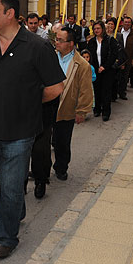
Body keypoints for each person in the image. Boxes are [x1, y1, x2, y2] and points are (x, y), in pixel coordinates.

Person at [0, 0, 65, 260]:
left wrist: (30, 103)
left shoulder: (37, 46)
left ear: (9, 13)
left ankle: (7, 237)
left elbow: (56, 87)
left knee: (10, 186)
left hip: (21, 133)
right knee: (7, 180)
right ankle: (15, 211)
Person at [50, 27, 94, 181]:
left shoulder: (81, 65)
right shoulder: (51, 57)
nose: (57, 42)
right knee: (43, 141)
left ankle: (61, 168)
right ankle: (41, 169)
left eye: (60, 40)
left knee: (62, 141)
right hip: (48, 104)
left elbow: (86, 90)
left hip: (67, 106)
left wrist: (81, 111)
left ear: (71, 44)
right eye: (56, 39)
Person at [87, 21, 119, 121]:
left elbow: (114, 55)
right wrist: (95, 67)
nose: (96, 30)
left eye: (98, 28)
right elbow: (90, 55)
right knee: (97, 90)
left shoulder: (110, 40)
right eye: (95, 29)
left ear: (102, 29)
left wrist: (104, 66)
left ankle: (106, 112)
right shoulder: (92, 42)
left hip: (107, 70)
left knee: (106, 91)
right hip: (96, 70)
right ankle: (97, 109)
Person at [115, 17, 133, 100]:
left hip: (128, 58)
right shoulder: (118, 31)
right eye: (125, 22)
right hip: (118, 57)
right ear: (123, 23)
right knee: (116, 76)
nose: (127, 24)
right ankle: (115, 92)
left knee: (125, 76)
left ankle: (122, 92)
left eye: (129, 22)